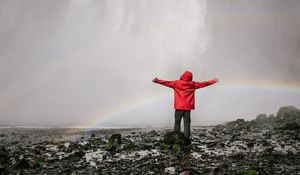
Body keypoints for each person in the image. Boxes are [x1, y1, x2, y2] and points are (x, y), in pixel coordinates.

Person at [152, 71, 218, 138]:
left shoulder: (176, 83)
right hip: (188, 108)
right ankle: (187, 138)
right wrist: (213, 81)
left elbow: (166, 83)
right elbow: (204, 84)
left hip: (179, 107)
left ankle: (176, 137)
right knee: (187, 123)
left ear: (182, 76)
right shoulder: (193, 84)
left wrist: (157, 80)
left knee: (177, 122)